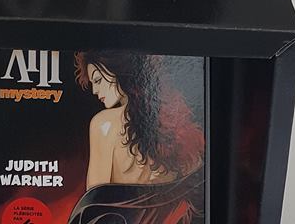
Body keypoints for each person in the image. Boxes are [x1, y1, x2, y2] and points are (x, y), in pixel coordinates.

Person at [68, 52, 205, 224]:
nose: (95, 90)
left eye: (98, 80)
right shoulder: (174, 124)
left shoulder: (104, 124)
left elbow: (95, 201)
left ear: (118, 72)